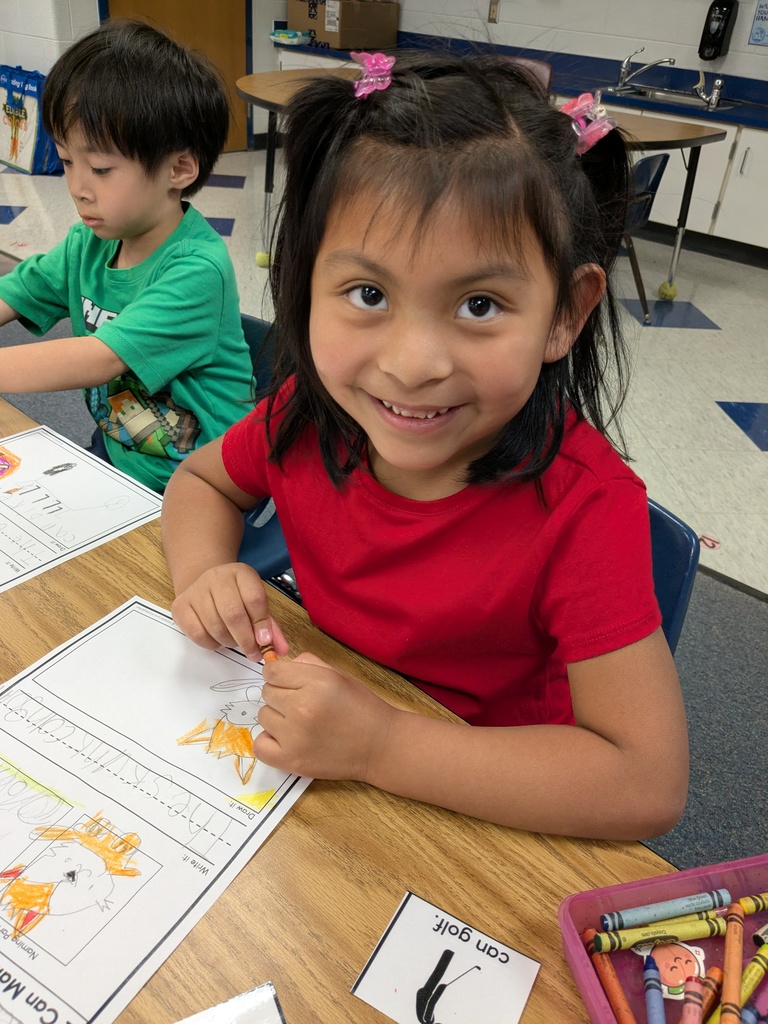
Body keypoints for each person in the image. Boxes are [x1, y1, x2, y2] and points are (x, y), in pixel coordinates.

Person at [161, 52, 689, 839]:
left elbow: (646, 783)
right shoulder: (311, 411)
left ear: (564, 316)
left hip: (479, 801)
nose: (412, 365)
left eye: (479, 304)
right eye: (367, 295)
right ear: (307, 284)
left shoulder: (583, 506)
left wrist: (383, 744)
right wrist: (205, 572)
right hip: (316, 773)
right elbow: (202, 484)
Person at [0, 19, 253, 493]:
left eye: (99, 168)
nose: (77, 188)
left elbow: (98, 358)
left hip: (204, 488)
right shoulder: (88, 244)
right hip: (119, 456)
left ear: (179, 168)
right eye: (67, 161)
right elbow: (15, 291)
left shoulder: (198, 270)